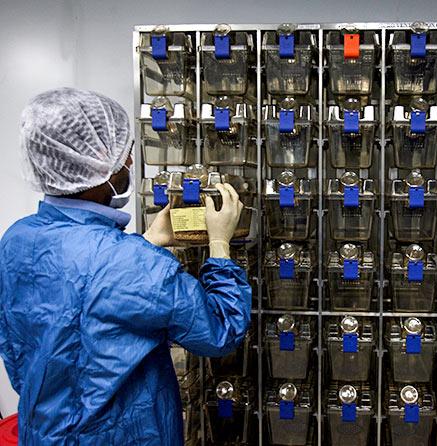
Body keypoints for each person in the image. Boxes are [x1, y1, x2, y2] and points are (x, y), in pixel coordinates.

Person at [0, 88, 252, 445]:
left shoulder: (16, 240)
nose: (130, 163)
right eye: (124, 154)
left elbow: (61, 324)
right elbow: (221, 331)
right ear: (96, 167)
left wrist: (146, 242)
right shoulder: (134, 264)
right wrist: (220, 246)